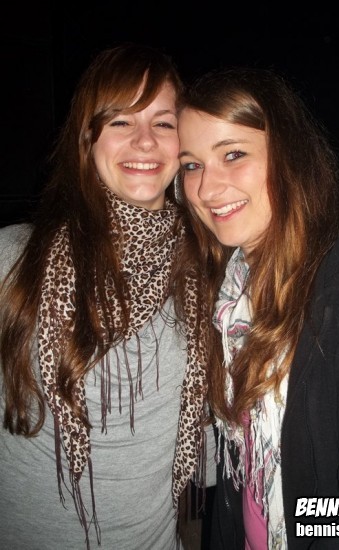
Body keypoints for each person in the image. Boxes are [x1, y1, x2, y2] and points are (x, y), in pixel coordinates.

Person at [174, 66, 339, 549]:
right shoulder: (233, 289)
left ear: (290, 156)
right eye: (192, 165)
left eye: (233, 154)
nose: (206, 189)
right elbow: (239, 477)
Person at [0, 42, 209, 550]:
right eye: (120, 121)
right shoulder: (13, 260)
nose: (144, 140)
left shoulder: (206, 270)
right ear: (87, 139)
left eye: (163, 123)